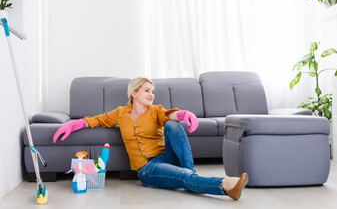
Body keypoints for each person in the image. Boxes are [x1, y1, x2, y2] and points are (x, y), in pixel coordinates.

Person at [53, 77, 249, 200]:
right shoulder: (120, 113)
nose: (151, 94)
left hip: (166, 158)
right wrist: (75, 124)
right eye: (147, 90)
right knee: (183, 177)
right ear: (134, 93)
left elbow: (169, 116)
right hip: (147, 168)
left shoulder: (156, 110)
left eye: (153, 91)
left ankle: (191, 174)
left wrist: (182, 115)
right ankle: (224, 185)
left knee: (173, 125)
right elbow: (98, 120)